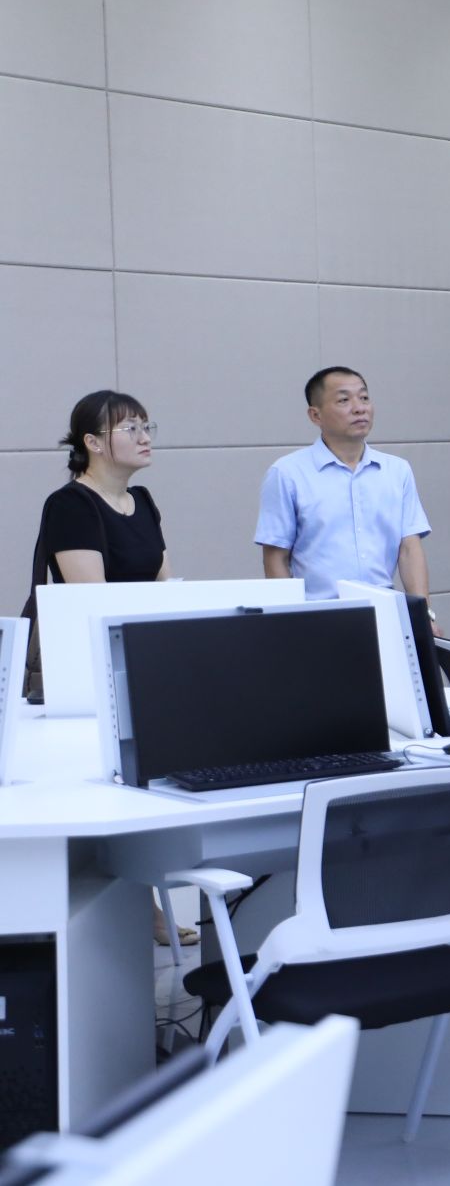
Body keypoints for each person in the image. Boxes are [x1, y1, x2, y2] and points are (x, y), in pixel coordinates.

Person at [23, 391, 191, 946]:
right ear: (93, 443)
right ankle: (133, 911)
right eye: (130, 428)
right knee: (109, 789)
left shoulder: (142, 500)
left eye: (146, 425)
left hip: (139, 661)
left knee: (147, 787)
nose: (145, 436)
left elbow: (164, 583)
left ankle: (148, 904)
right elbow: (91, 601)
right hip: (90, 668)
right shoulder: (71, 504)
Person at [255, 368, 437, 629]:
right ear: (315, 415)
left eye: (364, 398)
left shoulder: (397, 471)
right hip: (317, 618)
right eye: (344, 400)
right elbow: (276, 557)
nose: (359, 408)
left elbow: (409, 548)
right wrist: (287, 623)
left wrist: (424, 616)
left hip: (385, 614)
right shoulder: (287, 473)